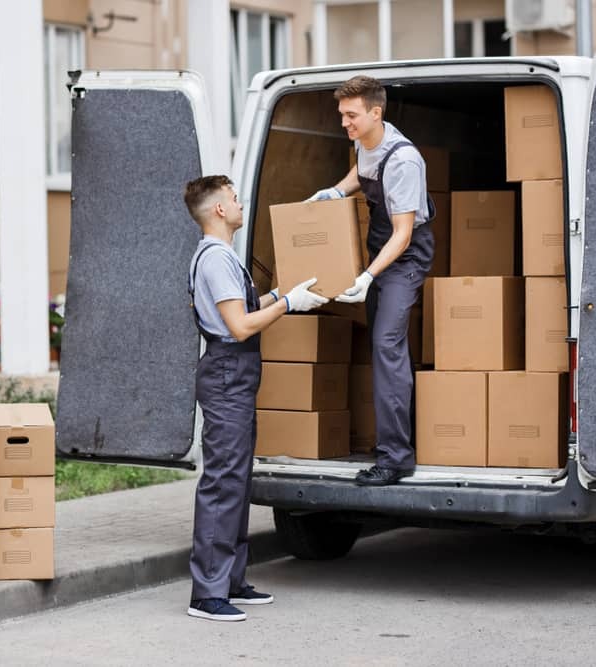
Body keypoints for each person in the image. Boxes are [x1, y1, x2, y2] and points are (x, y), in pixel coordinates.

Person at [184, 175, 328, 622]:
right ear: (220, 211)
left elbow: (245, 309)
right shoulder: (214, 260)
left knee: (238, 479)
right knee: (223, 482)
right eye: (234, 198)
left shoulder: (225, 256)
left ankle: (230, 580)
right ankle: (207, 594)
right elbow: (240, 326)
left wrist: (285, 293)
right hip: (229, 370)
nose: (241, 202)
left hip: (236, 372)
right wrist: (288, 304)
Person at [307, 75, 435, 487]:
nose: (344, 122)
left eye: (351, 115)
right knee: (385, 350)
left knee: (385, 345)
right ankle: (398, 443)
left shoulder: (403, 161)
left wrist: (367, 276)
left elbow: (403, 234)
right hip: (379, 250)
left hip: (405, 255)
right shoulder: (365, 140)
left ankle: (396, 458)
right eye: (342, 115)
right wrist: (335, 191)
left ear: (376, 113)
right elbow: (361, 172)